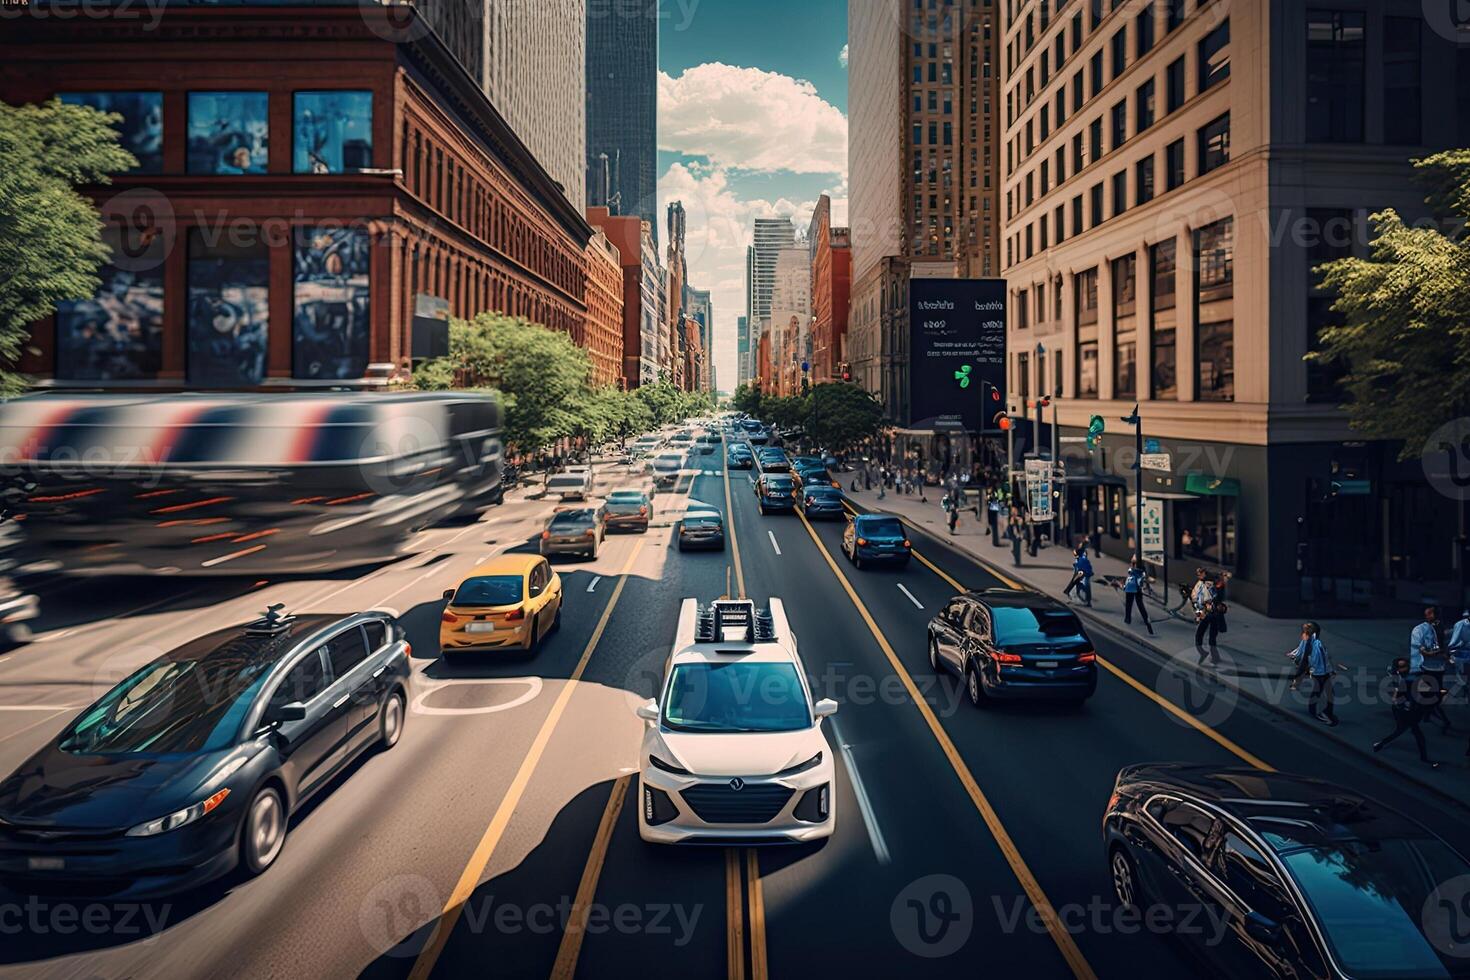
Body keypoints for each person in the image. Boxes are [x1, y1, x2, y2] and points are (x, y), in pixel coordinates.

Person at [1373, 658, 1441, 768]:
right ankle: (1424, 758)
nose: (1404, 668)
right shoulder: (1403, 680)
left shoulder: (1411, 678)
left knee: (1400, 731)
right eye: (1401, 667)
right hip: (1405, 712)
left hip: (1409, 710)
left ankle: (1380, 744)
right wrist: (1405, 705)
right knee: (1414, 734)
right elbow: (1397, 697)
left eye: (1405, 666)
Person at [1410, 606, 1454, 734]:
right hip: (1428, 668)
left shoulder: (1441, 632)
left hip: (1435, 669)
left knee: (1430, 697)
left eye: (1429, 614)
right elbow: (1424, 651)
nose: (1427, 616)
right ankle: (1428, 714)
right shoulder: (1425, 631)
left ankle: (1442, 720)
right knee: (1426, 694)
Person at [1294, 622, 1340, 726]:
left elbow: (1324, 659)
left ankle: (1316, 710)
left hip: (1323, 672)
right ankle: (1322, 712)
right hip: (1320, 673)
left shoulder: (1315, 644)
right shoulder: (1311, 645)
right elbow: (1305, 661)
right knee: (1324, 692)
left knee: (1322, 692)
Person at [1191, 568, 1220, 662]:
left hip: (1208, 613)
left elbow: (1197, 599)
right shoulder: (1212, 586)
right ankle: (1212, 655)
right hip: (1212, 613)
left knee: (1201, 635)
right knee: (1211, 637)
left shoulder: (1205, 586)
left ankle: (1206, 654)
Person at [1122, 557, 1154, 635]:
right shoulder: (1141, 571)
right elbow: (1143, 579)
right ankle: (1146, 620)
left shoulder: (1131, 570)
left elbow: (1129, 576)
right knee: (1140, 604)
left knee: (1129, 604)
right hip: (1137, 588)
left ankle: (1127, 618)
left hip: (1130, 588)